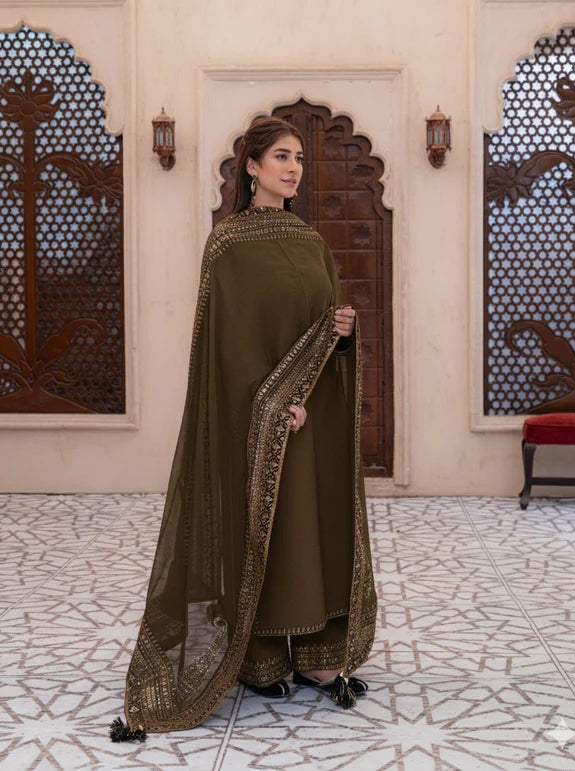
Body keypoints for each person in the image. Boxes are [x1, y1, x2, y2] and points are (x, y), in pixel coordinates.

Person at [110, 116, 377, 740]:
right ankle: (257, 658)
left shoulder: (311, 242)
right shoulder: (227, 245)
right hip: (257, 418)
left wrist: (343, 334)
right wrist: (274, 407)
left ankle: (315, 655)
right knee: (264, 530)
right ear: (251, 167)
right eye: (281, 156)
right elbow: (226, 346)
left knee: (311, 529)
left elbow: (322, 328)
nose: (293, 168)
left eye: (299, 159)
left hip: (312, 416)